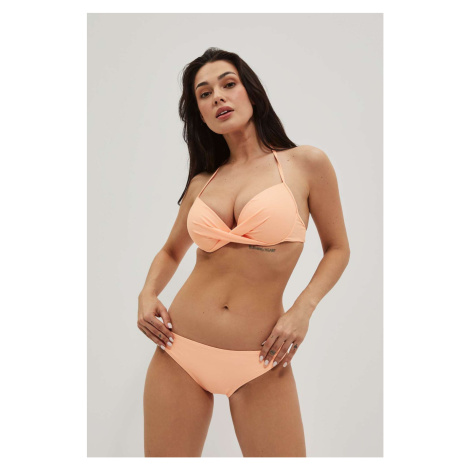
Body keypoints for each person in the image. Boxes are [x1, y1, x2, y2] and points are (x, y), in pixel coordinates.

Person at [138, 47, 350, 457]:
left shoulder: (305, 164)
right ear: (200, 114)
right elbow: (170, 252)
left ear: (251, 92)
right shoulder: (202, 183)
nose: (217, 96)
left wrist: (302, 310)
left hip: (261, 358)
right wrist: (147, 293)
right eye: (204, 93)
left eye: (228, 84)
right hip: (179, 350)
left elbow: (338, 248)